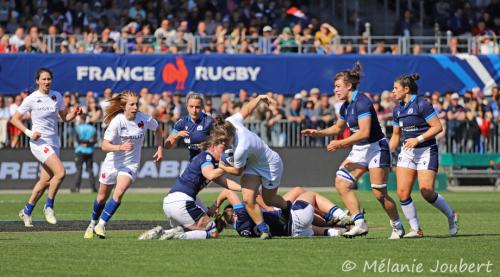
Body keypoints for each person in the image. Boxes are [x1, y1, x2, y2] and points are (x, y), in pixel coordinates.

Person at [302, 62, 404, 239]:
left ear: (349, 86)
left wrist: (340, 144)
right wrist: (318, 133)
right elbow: (338, 128)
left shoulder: (362, 102)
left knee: (379, 193)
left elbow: (364, 133)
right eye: (335, 86)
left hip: (376, 148)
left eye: (338, 86)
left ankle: (397, 225)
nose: (335, 90)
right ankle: (359, 223)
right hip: (360, 149)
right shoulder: (345, 106)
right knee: (341, 182)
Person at [83, 90, 163, 239]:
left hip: (130, 164)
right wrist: (119, 147)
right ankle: (92, 224)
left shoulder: (144, 119)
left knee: (118, 194)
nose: (135, 107)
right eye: (131, 104)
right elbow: (104, 146)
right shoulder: (117, 121)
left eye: (136, 104)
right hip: (112, 163)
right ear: (124, 106)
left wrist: (159, 148)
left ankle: (101, 225)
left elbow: (158, 129)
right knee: (101, 198)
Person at [389, 74, 458, 238]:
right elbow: (396, 135)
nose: (393, 92)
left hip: (426, 150)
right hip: (407, 152)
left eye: (395, 88)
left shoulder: (422, 104)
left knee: (426, 192)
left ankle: (451, 217)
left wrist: (418, 139)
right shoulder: (397, 109)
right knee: (402, 193)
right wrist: (386, 151)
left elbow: (437, 127)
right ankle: (416, 229)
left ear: (406, 89)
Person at [11, 68, 81, 227]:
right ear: (37, 81)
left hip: (53, 143)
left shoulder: (57, 96)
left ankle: (26, 211)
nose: (47, 82)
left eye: (49, 79)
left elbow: (65, 118)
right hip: (38, 142)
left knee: (45, 181)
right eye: (43, 79)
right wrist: (29, 132)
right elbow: (14, 119)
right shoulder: (31, 98)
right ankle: (49, 206)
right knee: (61, 173)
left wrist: (74, 114)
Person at [137, 132, 241, 240]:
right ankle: (178, 236)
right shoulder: (206, 157)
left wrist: (243, 189)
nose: (225, 152)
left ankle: (161, 232)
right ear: (212, 146)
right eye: (223, 148)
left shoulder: (210, 162)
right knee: (213, 232)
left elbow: (226, 182)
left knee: (193, 230)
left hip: (171, 202)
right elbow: (209, 174)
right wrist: (226, 167)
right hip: (182, 202)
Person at [214, 95, 291, 239]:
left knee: (269, 200)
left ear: (230, 135)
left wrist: (222, 167)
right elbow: (247, 109)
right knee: (248, 200)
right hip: (253, 164)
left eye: (225, 141)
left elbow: (237, 171)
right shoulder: (230, 121)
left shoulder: (241, 148)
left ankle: (286, 208)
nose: (223, 144)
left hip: (270, 165)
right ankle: (264, 230)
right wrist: (259, 98)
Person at [215, 188, 350, 238]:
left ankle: (336, 232)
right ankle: (342, 216)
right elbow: (227, 192)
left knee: (315, 230)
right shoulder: (243, 216)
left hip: (293, 233)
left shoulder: (240, 231)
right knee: (311, 194)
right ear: (234, 215)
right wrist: (215, 205)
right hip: (293, 218)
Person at [164, 92, 213, 161]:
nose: (194, 110)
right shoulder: (182, 122)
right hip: (193, 161)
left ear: (202, 107)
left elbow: (221, 142)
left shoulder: (209, 122)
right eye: (191, 106)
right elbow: (167, 146)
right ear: (187, 107)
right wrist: (176, 136)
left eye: (197, 107)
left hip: (208, 159)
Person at [73, 113, 97, 193]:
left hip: (80, 151)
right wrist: (88, 143)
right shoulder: (93, 129)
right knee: (90, 170)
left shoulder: (78, 128)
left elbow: (77, 140)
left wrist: (83, 143)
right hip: (89, 151)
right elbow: (95, 140)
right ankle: (93, 188)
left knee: (79, 170)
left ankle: (77, 188)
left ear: (81, 119)